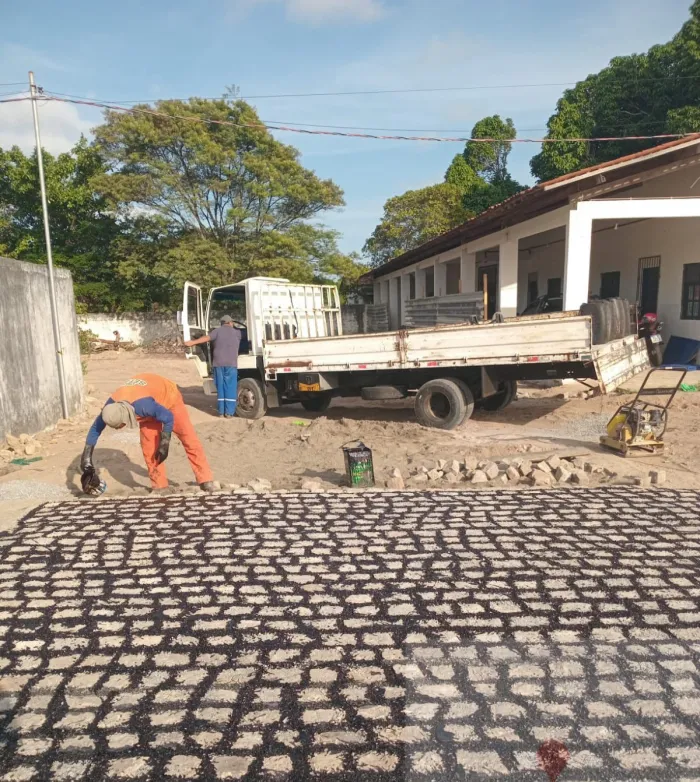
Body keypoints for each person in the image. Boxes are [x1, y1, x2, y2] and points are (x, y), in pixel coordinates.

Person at [80, 373, 215, 495]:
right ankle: (160, 486)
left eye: (119, 426)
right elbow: (95, 429)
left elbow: (167, 417)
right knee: (150, 447)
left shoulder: (143, 406)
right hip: (148, 397)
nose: (118, 429)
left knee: (188, 438)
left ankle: (205, 479)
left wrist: (165, 441)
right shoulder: (110, 408)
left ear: (126, 417)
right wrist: (86, 459)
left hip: (169, 396)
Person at [184, 315, 242, 418]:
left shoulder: (217, 331)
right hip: (231, 364)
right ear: (230, 323)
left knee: (220, 387)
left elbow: (206, 338)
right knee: (230, 387)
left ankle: (221, 412)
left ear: (222, 323)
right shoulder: (237, 333)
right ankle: (229, 413)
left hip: (218, 364)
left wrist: (192, 342)